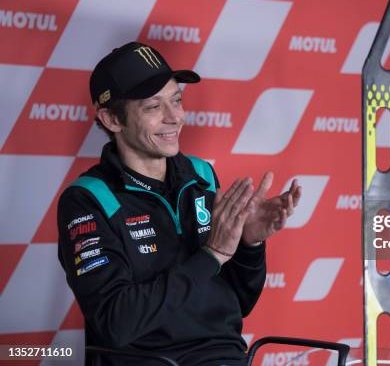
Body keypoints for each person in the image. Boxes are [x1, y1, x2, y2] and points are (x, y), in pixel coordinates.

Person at [56, 41, 301, 366]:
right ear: (112, 119)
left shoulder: (200, 175)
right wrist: (211, 255)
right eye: (153, 107)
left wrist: (248, 244)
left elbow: (236, 303)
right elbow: (117, 323)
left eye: (176, 100)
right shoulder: (88, 200)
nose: (175, 118)